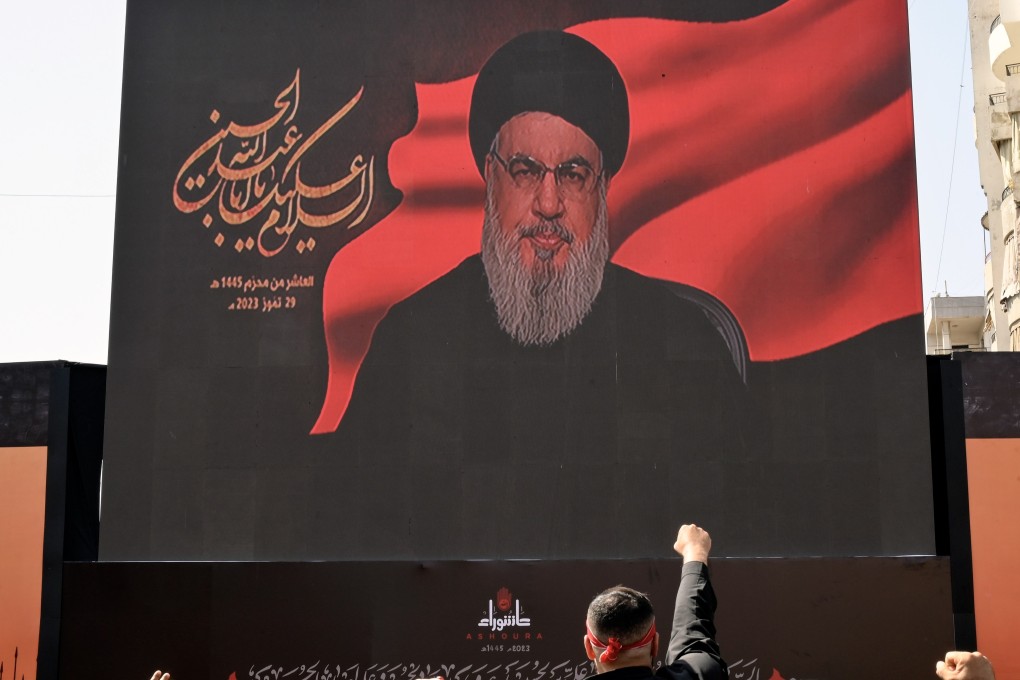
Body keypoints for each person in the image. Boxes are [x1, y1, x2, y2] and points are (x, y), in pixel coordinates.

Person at [332, 30, 749, 558]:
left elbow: (728, 565)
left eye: (573, 175)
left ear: (603, 189)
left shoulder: (682, 347)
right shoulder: (414, 342)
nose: (548, 203)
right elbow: (356, 553)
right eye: (525, 170)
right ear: (490, 179)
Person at [583, 523, 725, 680]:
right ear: (655, 645)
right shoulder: (702, 673)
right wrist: (695, 552)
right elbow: (694, 638)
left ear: (588, 647)